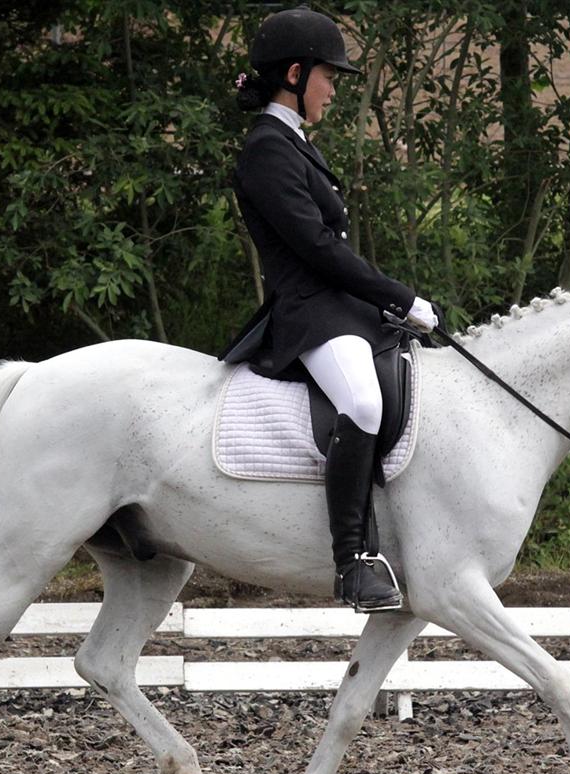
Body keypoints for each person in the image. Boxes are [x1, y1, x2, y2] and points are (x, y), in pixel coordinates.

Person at [219, 6, 438, 612]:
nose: (335, 89)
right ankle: (354, 561)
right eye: (329, 76)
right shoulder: (267, 148)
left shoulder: (294, 143)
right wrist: (398, 296)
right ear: (295, 73)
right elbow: (316, 248)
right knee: (363, 401)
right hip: (308, 311)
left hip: (337, 305)